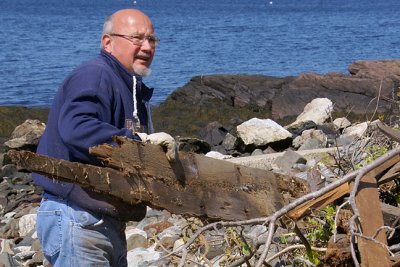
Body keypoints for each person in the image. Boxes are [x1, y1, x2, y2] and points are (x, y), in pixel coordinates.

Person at [33, 9, 174, 267]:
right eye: (137, 38)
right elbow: (76, 126)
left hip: (104, 220)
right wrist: (140, 143)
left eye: (152, 40)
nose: (147, 46)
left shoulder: (129, 85)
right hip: (78, 216)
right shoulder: (95, 74)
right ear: (107, 42)